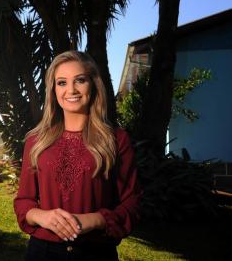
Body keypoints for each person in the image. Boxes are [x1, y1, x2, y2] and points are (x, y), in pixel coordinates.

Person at [13, 50, 142, 261]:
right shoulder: (35, 141)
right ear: (53, 90)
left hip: (96, 253)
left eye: (79, 80)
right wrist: (42, 216)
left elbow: (133, 204)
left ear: (93, 84)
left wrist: (94, 220)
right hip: (42, 252)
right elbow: (24, 200)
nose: (71, 90)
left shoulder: (117, 140)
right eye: (62, 82)